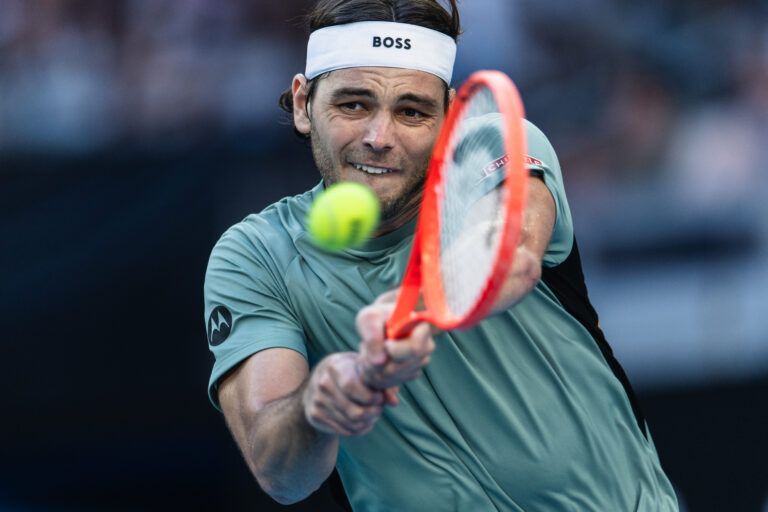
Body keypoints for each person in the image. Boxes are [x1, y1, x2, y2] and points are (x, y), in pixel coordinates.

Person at [203, 0, 679, 510]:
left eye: (411, 111)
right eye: (353, 105)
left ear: (450, 116)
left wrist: (413, 311)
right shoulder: (253, 255)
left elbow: (509, 254)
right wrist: (320, 404)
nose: (379, 138)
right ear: (303, 104)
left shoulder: (492, 146)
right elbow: (281, 474)